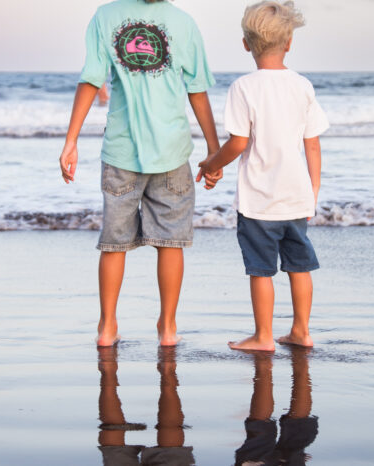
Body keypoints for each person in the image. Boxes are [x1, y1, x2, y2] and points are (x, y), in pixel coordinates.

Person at [59, 0, 221, 347]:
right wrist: (213, 150)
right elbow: (197, 90)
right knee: (170, 242)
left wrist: (71, 140)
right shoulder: (183, 22)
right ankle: (168, 328)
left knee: (114, 244)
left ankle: (107, 327)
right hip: (170, 151)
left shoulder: (106, 16)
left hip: (122, 152)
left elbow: (91, 79)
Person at [197, 0, 329, 352]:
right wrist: (313, 191)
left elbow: (238, 142)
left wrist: (212, 165)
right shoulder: (302, 85)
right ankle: (301, 330)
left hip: (258, 200)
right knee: (300, 266)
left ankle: (263, 336)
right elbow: (313, 144)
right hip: (296, 196)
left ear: (246, 44)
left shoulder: (243, 87)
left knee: (261, 269)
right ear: (289, 43)